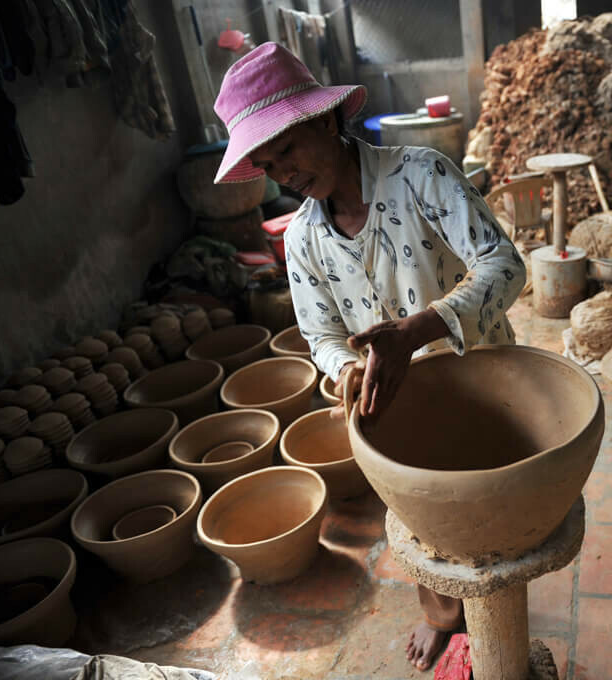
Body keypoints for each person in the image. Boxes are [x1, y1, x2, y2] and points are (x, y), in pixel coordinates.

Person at [213, 43, 526, 671]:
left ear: (327, 120)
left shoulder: (420, 175)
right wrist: (348, 368)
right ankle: (443, 616)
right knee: (419, 517)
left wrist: (418, 330)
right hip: (396, 402)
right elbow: (320, 334)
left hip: (481, 379)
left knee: (490, 519)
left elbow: (504, 265)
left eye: (288, 150)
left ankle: (494, 616)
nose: (283, 174)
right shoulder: (304, 238)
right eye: (268, 165)